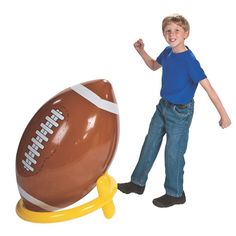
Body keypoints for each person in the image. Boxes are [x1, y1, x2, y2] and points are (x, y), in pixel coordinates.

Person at [118, 14, 231, 208]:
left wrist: (224, 115)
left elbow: (209, 88)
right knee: (150, 143)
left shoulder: (190, 61)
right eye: (168, 31)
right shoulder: (167, 52)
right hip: (163, 107)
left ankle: (175, 193)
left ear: (186, 34)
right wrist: (141, 51)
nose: (172, 35)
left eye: (177, 31)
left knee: (173, 153)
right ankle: (137, 183)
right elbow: (154, 66)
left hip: (180, 112)